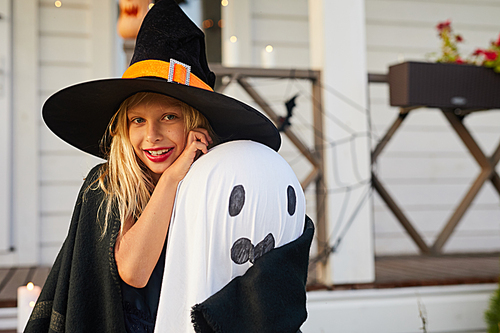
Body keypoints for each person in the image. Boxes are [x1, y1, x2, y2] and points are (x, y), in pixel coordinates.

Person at [25, 1, 313, 332]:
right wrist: (172, 178)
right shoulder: (110, 182)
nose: (151, 136)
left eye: (169, 117)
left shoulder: (216, 179)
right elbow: (133, 270)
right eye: (137, 120)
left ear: (196, 124)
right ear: (124, 126)